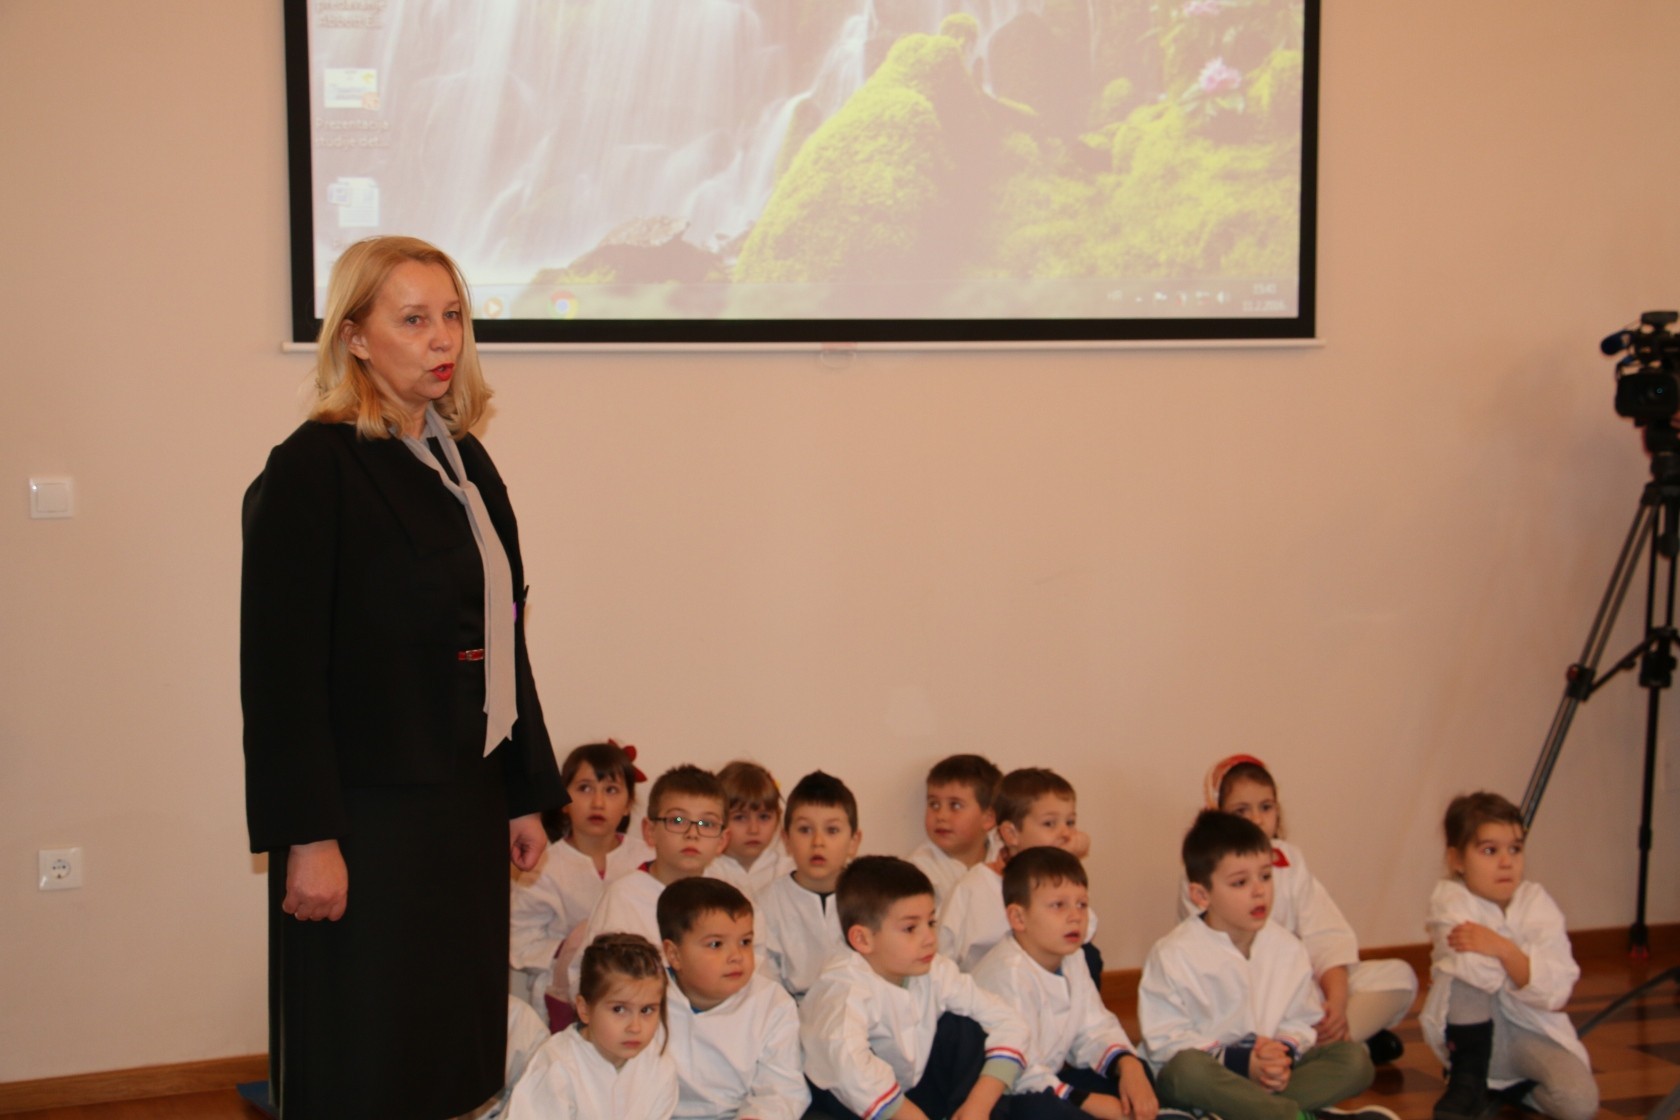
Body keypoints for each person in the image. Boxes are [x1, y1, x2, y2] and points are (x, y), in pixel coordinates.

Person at [241, 235, 565, 1118]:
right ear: (353, 337)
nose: (441, 338)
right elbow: (280, 675)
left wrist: (521, 792)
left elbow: (503, 634)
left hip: (463, 802)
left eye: (451, 315)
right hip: (364, 816)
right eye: (414, 319)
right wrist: (309, 835)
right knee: (364, 1055)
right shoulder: (313, 468)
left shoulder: (466, 459)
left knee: (446, 1050)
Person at [1139, 811, 1391, 1120]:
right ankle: (1292, 1115)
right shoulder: (1173, 954)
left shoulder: (1287, 946)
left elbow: (1301, 1019)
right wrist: (1244, 1062)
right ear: (1202, 895)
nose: (1259, 891)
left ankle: (1245, 1113)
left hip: (1267, 1080)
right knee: (1186, 1071)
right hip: (1208, 1077)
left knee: (1354, 1060)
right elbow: (1165, 1040)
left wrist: (1279, 1057)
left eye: (1266, 876)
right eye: (1240, 882)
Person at [1180, 756, 1415, 1064]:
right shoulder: (1204, 873)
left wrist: (1337, 1003)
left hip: (1301, 989)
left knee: (1399, 977)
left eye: (1266, 807)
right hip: (1247, 999)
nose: (1256, 819)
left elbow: (1325, 937)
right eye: (1241, 811)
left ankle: (1333, 1041)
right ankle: (1334, 1051)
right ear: (1217, 814)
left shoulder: (1291, 859)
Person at [800, 856, 1031, 1120]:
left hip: (912, 1091)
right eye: (910, 928)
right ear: (862, 939)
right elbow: (849, 1070)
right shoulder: (843, 989)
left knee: (964, 1027)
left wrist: (979, 1104)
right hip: (850, 1106)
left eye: (930, 922)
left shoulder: (935, 969)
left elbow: (1009, 1021)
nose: (929, 939)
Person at [1420, 792, 1596, 1120]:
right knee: (1464, 977)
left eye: (1515, 849)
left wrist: (1501, 947)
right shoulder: (1449, 902)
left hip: (1529, 1032)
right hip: (1476, 1036)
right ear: (1457, 860)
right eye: (1490, 851)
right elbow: (1477, 973)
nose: (1506, 862)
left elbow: (1556, 991)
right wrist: (1519, 961)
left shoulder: (1538, 902)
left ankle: (1508, 1088)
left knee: (1580, 1104)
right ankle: (1468, 1081)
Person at [973, 847, 1160, 1120]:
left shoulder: (1073, 957)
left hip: (1050, 1080)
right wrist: (1087, 1101)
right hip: (1008, 1094)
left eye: (1081, 904)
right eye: (1058, 905)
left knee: (1137, 1076)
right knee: (1042, 1109)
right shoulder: (1008, 973)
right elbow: (1020, 1070)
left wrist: (1128, 1065)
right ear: (1018, 918)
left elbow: (1095, 1027)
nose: (1076, 916)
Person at [561, 764, 734, 1001]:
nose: (692, 833)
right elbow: (592, 981)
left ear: (723, 840)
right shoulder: (624, 897)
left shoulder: (731, 901)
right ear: (650, 831)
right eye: (677, 820)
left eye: (707, 824)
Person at [511, 741, 652, 1010]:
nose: (598, 802)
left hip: (638, 993)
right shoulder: (542, 864)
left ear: (628, 804)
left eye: (611, 790)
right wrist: (573, 946)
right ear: (563, 800)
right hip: (563, 999)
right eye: (585, 788)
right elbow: (519, 939)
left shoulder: (646, 857)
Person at [657, 877, 810, 1120]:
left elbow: (781, 1090)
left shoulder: (772, 1003)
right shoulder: (647, 1000)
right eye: (716, 944)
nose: (736, 956)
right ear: (674, 955)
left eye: (745, 942)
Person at [939, 768, 1099, 973]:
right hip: (988, 984)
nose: (1066, 834)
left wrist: (1068, 865)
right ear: (1011, 833)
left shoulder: (1062, 882)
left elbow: (1086, 931)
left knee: (1088, 956)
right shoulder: (974, 886)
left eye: (1070, 823)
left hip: (1041, 978)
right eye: (1049, 823)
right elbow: (943, 952)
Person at [505, 933, 679, 1119]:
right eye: (619, 1009)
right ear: (584, 1009)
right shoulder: (556, 1067)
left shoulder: (659, 1067)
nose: (635, 1027)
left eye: (646, 1010)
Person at [758, 770, 863, 999]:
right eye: (805, 830)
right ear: (786, 840)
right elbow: (765, 982)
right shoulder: (767, 904)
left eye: (832, 830)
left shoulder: (871, 900)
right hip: (790, 1011)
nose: (818, 842)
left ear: (853, 842)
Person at [909, 754, 1002, 910]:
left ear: (989, 818)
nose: (941, 816)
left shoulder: (1007, 856)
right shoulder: (917, 871)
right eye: (934, 804)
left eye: (955, 806)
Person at [710, 760, 795, 900]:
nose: (754, 829)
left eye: (764, 817)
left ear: (777, 818)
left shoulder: (790, 873)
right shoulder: (706, 873)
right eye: (740, 818)